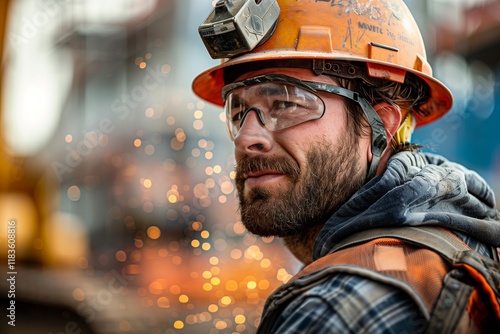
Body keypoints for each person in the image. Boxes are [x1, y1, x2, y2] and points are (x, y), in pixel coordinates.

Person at [192, 0, 500, 332]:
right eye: (239, 113)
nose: (245, 138)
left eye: (285, 102)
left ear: (379, 124)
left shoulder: (333, 310)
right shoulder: (457, 241)